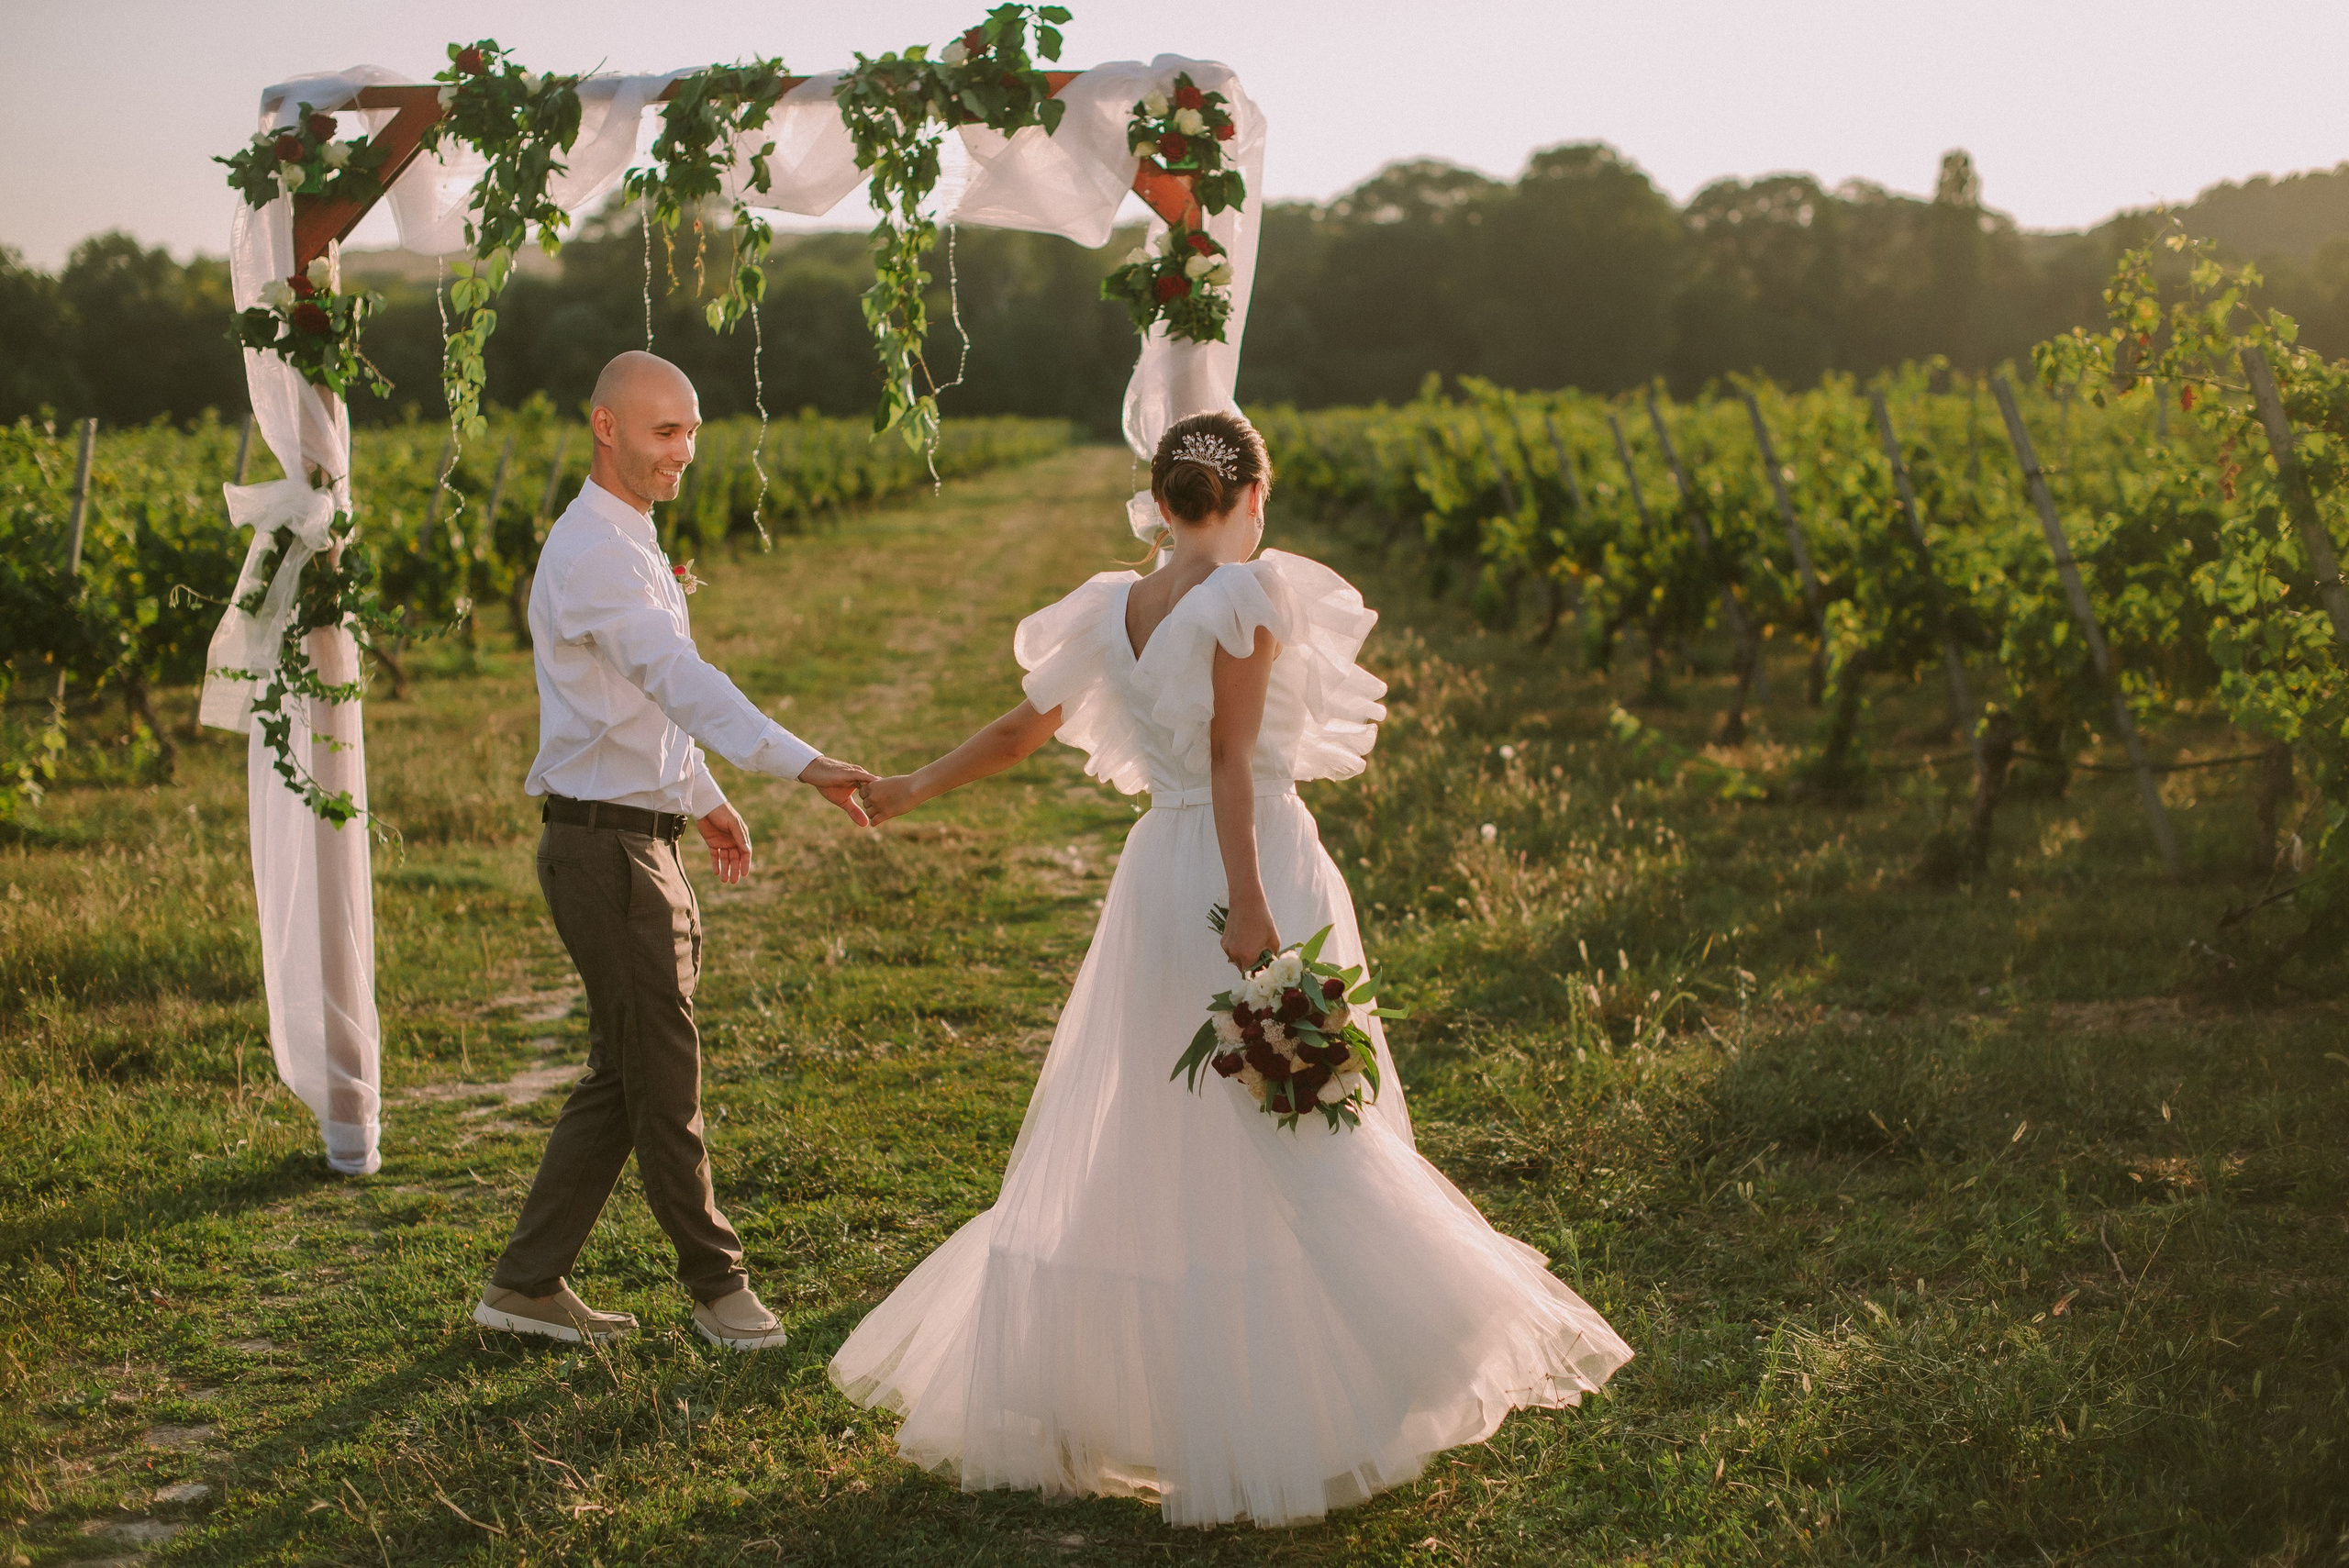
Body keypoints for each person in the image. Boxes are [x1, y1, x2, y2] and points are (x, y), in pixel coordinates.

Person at [828, 411, 1631, 1528]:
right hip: (1245, 865)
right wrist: (1250, 902)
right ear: (1252, 494)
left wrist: (909, 785)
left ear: (1161, 504)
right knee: (1299, 1105)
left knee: (1175, 1115)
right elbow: (1230, 755)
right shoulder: (1247, 596)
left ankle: (1154, 1389)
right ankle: (1381, 1350)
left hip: (1159, 869)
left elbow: (1019, 731)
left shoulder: (1114, 606)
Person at [472, 350, 874, 1352]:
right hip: (604, 855)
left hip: (628, 837)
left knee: (626, 1071)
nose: (685, 451)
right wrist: (802, 762)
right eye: (665, 431)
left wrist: (700, 796)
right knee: (663, 1076)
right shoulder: (595, 553)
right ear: (605, 426)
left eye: (692, 431)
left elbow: (641, 702)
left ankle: (524, 1285)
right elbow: (680, 678)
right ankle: (717, 1285)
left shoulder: (630, 538)